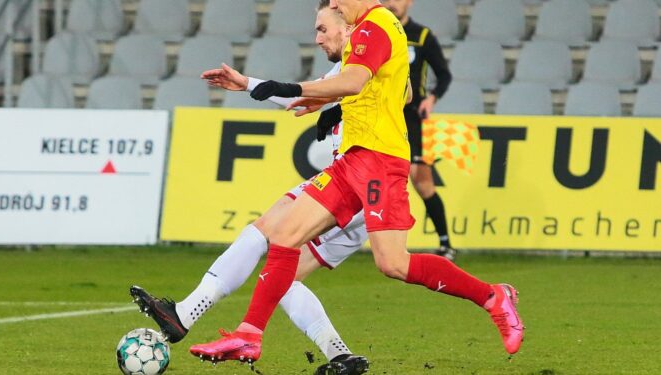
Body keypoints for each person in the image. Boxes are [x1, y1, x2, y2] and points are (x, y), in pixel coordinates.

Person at [192, 0, 524, 367]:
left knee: (393, 263)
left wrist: (287, 87)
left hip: (380, 161)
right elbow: (402, 90)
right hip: (353, 160)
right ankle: (248, 335)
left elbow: (352, 80)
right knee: (285, 235)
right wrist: (268, 88)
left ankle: (493, 297)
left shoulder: (375, 24)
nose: (333, 3)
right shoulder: (377, 29)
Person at [131, 4, 370, 374]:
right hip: (360, 188)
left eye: (323, 29)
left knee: (265, 233)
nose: (318, 38)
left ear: (347, 25)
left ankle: (185, 315)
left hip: (359, 182)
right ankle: (340, 355)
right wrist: (247, 84)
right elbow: (303, 98)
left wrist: (335, 105)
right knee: (281, 275)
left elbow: (395, 93)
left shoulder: (369, 60)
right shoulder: (350, 67)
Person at [383, 0, 456, 261]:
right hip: (382, 116)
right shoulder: (377, 32)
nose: (391, 3)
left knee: (421, 181)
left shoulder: (421, 36)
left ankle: (446, 243)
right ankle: (384, 243)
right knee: (379, 179)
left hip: (412, 119)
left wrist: (431, 98)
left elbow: (444, 75)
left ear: (408, 2)